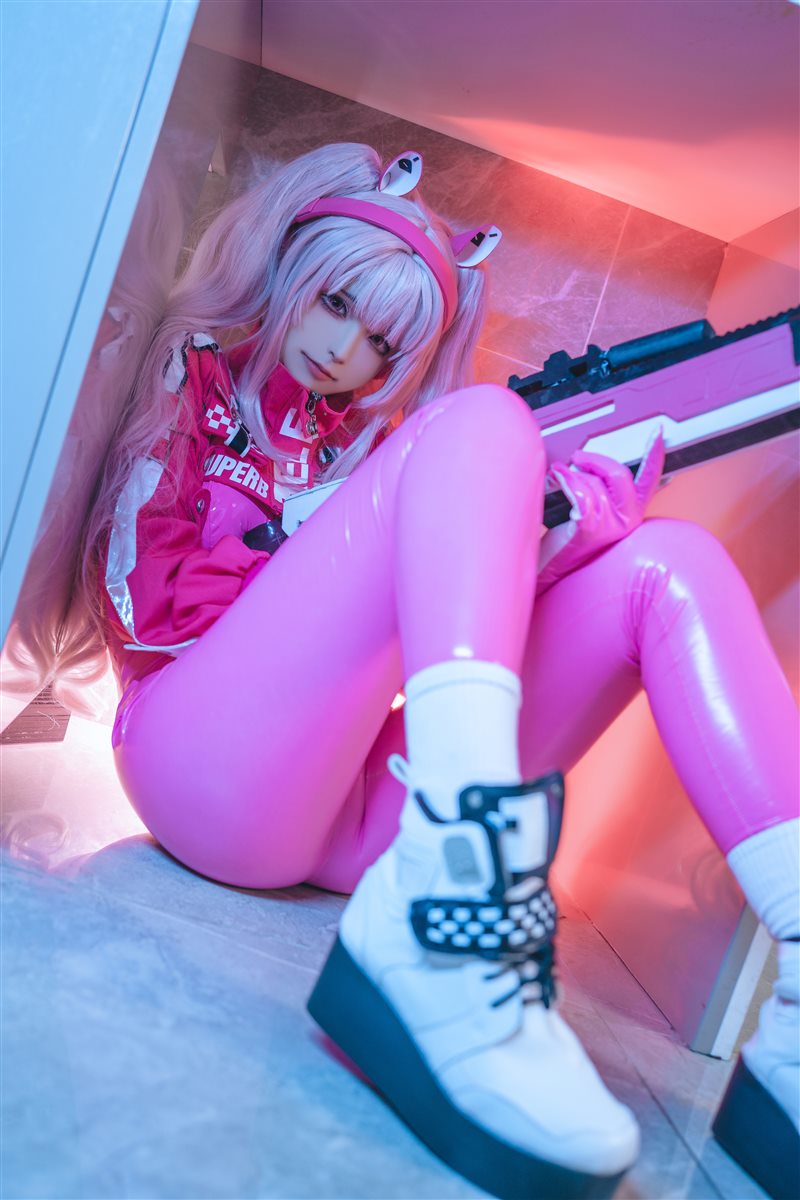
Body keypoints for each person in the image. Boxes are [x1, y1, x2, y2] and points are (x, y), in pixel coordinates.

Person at [66, 142, 797, 1198]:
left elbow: (414, 644)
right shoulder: (198, 381)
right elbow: (141, 603)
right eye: (335, 305)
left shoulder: (368, 449)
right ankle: (452, 889)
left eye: (381, 342)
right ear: (291, 269)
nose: (345, 351)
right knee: (485, 420)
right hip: (195, 765)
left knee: (661, 563)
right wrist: (317, 538)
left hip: (353, 813)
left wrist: (545, 543)